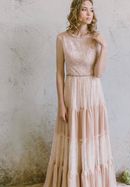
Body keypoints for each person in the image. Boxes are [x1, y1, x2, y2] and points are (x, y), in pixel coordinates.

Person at [43, 0, 117, 186]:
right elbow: (60, 74)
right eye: (84, 9)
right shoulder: (62, 39)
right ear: (76, 12)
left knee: (90, 137)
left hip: (92, 93)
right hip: (72, 93)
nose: (88, 13)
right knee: (73, 138)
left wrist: (104, 47)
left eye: (91, 10)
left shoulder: (96, 39)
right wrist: (61, 104)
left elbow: (98, 73)